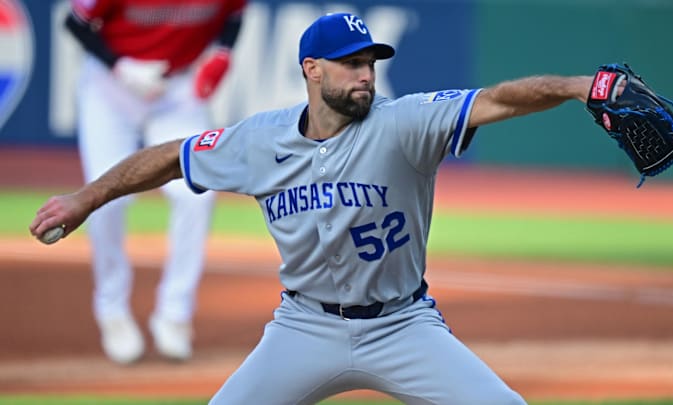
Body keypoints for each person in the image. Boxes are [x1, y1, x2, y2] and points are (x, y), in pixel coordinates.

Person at [32, 12, 598, 404]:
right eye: (350, 63)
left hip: (402, 325)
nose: (365, 75)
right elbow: (170, 158)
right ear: (312, 69)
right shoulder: (260, 140)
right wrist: (87, 198)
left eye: (370, 63)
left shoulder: (403, 123)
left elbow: (498, 100)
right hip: (303, 328)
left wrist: (577, 86)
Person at [62, 0, 247, 364]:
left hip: (177, 89)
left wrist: (223, 53)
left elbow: (235, 14)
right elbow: (75, 22)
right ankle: (111, 308)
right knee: (105, 199)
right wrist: (120, 65)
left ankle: (175, 315)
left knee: (197, 196)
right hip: (111, 88)